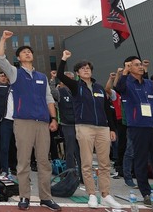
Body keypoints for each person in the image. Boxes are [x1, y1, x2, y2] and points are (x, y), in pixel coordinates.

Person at [0, 30, 61, 212]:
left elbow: (49, 98)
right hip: (23, 122)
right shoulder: (15, 73)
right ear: (18, 57)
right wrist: (3, 39)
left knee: (44, 162)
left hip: (43, 123)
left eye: (29, 51)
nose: (27, 53)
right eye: (23, 52)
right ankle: (24, 196)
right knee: (23, 161)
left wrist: (53, 118)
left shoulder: (42, 77)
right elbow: (0, 58)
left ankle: (45, 197)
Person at [57, 50, 121, 208]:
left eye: (88, 68)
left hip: (102, 128)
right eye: (82, 68)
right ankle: (92, 194)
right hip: (84, 127)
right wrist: (64, 58)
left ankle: (106, 194)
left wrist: (112, 129)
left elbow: (107, 110)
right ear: (77, 72)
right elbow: (60, 75)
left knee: (105, 163)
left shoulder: (99, 88)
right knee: (87, 163)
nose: (86, 69)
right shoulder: (75, 86)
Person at [114, 56, 153, 203]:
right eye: (136, 65)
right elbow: (118, 88)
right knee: (140, 159)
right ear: (129, 67)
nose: (140, 67)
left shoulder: (148, 83)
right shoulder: (126, 83)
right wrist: (125, 72)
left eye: (140, 64)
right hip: (138, 126)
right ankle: (145, 192)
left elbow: (152, 100)